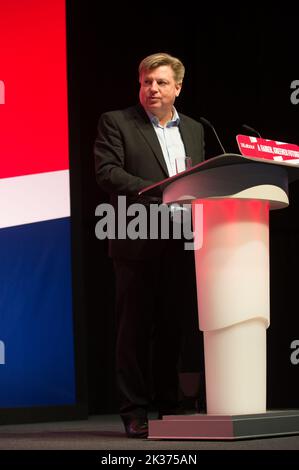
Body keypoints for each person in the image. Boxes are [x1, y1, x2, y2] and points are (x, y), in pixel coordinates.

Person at [94, 52, 205, 438]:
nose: (152, 88)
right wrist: (157, 194)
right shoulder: (117, 122)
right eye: (145, 82)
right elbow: (108, 172)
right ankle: (134, 410)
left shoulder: (194, 128)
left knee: (173, 328)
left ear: (178, 87)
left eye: (160, 82)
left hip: (181, 241)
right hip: (137, 238)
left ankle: (169, 404)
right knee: (134, 331)